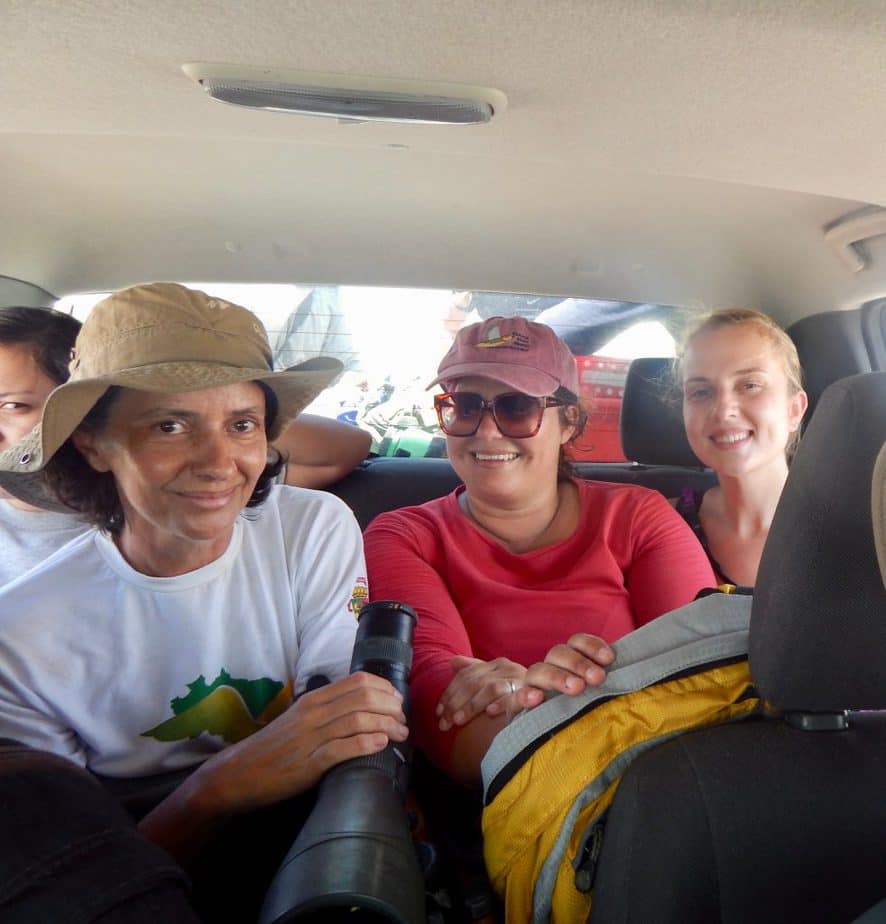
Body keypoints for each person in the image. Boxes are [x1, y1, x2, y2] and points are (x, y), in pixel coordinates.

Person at [0, 284, 406, 919]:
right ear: (93, 443)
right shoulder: (21, 635)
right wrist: (215, 789)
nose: (218, 462)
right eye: (170, 425)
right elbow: (77, 876)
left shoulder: (311, 527)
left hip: (314, 841)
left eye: (242, 425)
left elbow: (345, 717)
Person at [363, 315, 716, 784]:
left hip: (656, 791)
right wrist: (603, 696)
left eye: (517, 407)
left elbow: (702, 679)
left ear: (568, 421)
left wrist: (528, 699)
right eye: (465, 407)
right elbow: (441, 714)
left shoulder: (638, 517)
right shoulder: (403, 535)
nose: (486, 432)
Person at [0, 304, 370, 586]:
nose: (216, 465)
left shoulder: (209, 495)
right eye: (167, 427)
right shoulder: (31, 618)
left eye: (12, 406)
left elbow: (342, 449)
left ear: (79, 406)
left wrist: (217, 410)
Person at [673, 308, 808, 587]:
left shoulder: (860, 528)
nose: (723, 411)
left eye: (749, 385)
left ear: (794, 410)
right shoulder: (658, 526)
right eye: (701, 392)